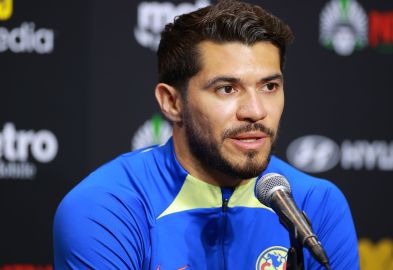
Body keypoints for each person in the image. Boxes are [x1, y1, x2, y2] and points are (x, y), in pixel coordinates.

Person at [53, 0, 359, 269]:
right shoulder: (106, 207)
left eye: (269, 87)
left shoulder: (316, 204)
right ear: (172, 102)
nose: (255, 110)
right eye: (227, 89)